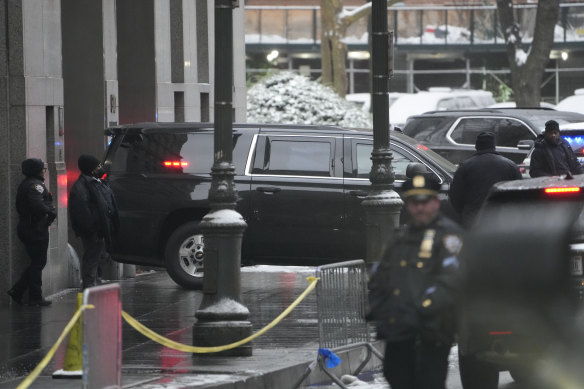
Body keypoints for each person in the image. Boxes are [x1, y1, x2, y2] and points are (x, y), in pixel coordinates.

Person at [367, 174, 463, 389]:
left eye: (425, 202)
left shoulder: (449, 236)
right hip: (399, 328)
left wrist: (422, 307)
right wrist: (378, 307)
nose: (420, 208)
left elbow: (452, 281)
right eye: (414, 203)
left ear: (436, 202)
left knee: (428, 381)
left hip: (431, 330)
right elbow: (380, 275)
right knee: (395, 375)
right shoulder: (400, 237)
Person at [7, 158, 57, 306]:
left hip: (30, 228)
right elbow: (37, 205)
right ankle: (32, 295)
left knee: (37, 262)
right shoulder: (35, 185)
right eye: (42, 168)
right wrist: (50, 212)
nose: (44, 170)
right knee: (38, 263)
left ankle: (19, 290)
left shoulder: (29, 184)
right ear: (36, 170)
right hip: (35, 229)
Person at [449, 131, 522, 228]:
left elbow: (455, 194)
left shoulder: (465, 166)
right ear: (493, 146)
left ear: (477, 146)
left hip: (473, 218)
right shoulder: (511, 165)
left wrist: (464, 212)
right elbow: (520, 193)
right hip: (503, 218)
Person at [69, 154, 119, 290]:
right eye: (97, 166)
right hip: (93, 230)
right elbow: (82, 211)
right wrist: (93, 228)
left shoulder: (96, 183)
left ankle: (95, 284)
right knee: (92, 258)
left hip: (100, 229)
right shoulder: (82, 187)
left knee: (99, 257)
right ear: (90, 169)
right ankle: (89, 287)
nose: (100, 168)